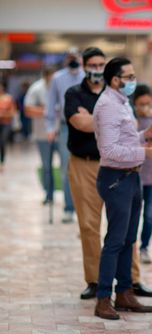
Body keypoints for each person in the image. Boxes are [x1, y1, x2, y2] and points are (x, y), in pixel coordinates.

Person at [64, 48, 152, 300]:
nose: (97, 68)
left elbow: (127, 130)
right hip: (90, 164)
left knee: (126, 232)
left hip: (123, 169)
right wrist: (142, 150)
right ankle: (98, 286)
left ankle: (129, 283)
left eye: (100, 63)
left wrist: (140, 137)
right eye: (92, 64)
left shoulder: (121, 102)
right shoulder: (79, 95)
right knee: (93, 227)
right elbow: (83, 125)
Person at [93, 57, 152, 320]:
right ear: (115, 80)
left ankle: (124, 292)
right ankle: (103, 298)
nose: (133, 81)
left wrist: (145, 134)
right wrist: (147, 151)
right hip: (116, 178)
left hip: (131, 177)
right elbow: (110, 150)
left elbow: (124, 140)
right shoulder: (108, 106)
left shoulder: (121, 103)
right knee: (115, 240)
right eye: (129, 76)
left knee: (128, 240)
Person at [46, 47, 85, 223]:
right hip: (65, 128)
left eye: (75, 57)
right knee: (66, 170)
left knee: (86, 169)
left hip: (86, 128)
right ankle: (69, 208)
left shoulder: (87, 77)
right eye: (70, 57)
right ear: (65, 60)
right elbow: (51, 103)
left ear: (81, 58)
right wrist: (49, 127)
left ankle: (84, 208)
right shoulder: (57, 78)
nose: (73, 60)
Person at [133, 84, 152, 265]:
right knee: (134, 214)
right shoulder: (131, 119)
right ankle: (132, 247)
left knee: (149, 214)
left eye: (147, 103)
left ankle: (144, 247)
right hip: (136, 173)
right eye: (141, 103)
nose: (145, 106)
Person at [24, 66, 55, 203]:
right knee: (46, 167)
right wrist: (46, 111)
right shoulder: (36, 88)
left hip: (60, 134)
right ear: (45, 76)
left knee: (67, 168)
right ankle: (48, 195)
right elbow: (28, 109)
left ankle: (69, 200)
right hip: (42, 134)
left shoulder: (60, 87)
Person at [0, 81, 16, 171]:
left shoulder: (8, 98)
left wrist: (3, 114)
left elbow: (13, 112)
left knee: (2, 142)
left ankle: (2, 161)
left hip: (5, 123)